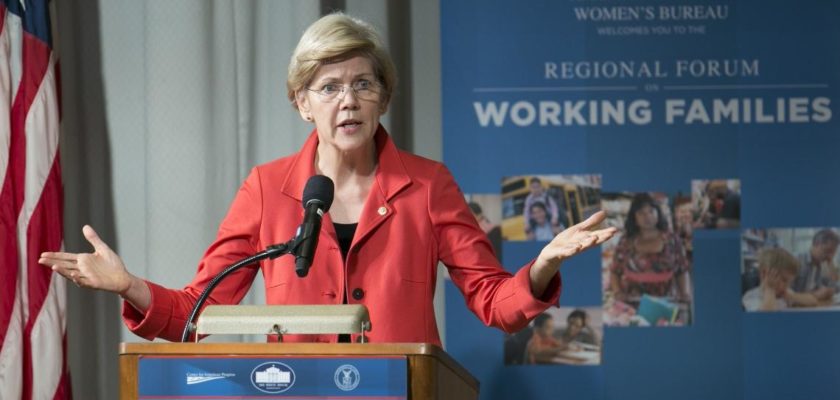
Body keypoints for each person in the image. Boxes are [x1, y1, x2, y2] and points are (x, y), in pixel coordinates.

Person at [39, 13, 616, 345]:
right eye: (329, 87)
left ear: (384, 97)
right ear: (301, 104)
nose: (349, 101)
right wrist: (128, 285)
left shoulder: (429, 185)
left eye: (364, 84)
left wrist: (543, 266)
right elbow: (200, 310)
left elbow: (495, 303)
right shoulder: (267, 188)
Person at [609, 193, 691, 316]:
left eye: (651, 211)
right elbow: (615, 271)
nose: (647, 217)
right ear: (634, 217)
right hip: (632, 305)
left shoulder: (672, 239)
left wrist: (684, 293)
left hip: (666, 303)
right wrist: (617, 292)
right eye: (641, 213)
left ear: (658, 214)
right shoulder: (625, 241)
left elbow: (681, 269)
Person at [742, 248, 824, 311]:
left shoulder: (783, 294)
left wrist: (791, 296)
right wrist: (770, 289)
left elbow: (813, 301)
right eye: (784, 280)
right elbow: (765, 320)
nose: (787, 285)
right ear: (764, 274)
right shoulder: (751, 297)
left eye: (789, 282)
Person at [792, 229, 839, 301]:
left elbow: (835, 286)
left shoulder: (819, 264)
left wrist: (830, 263)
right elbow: (787, 293)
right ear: (816, 244)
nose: (829, 256)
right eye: (827, 251)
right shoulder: (796, 261)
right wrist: (814, 295)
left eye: (832, 253)